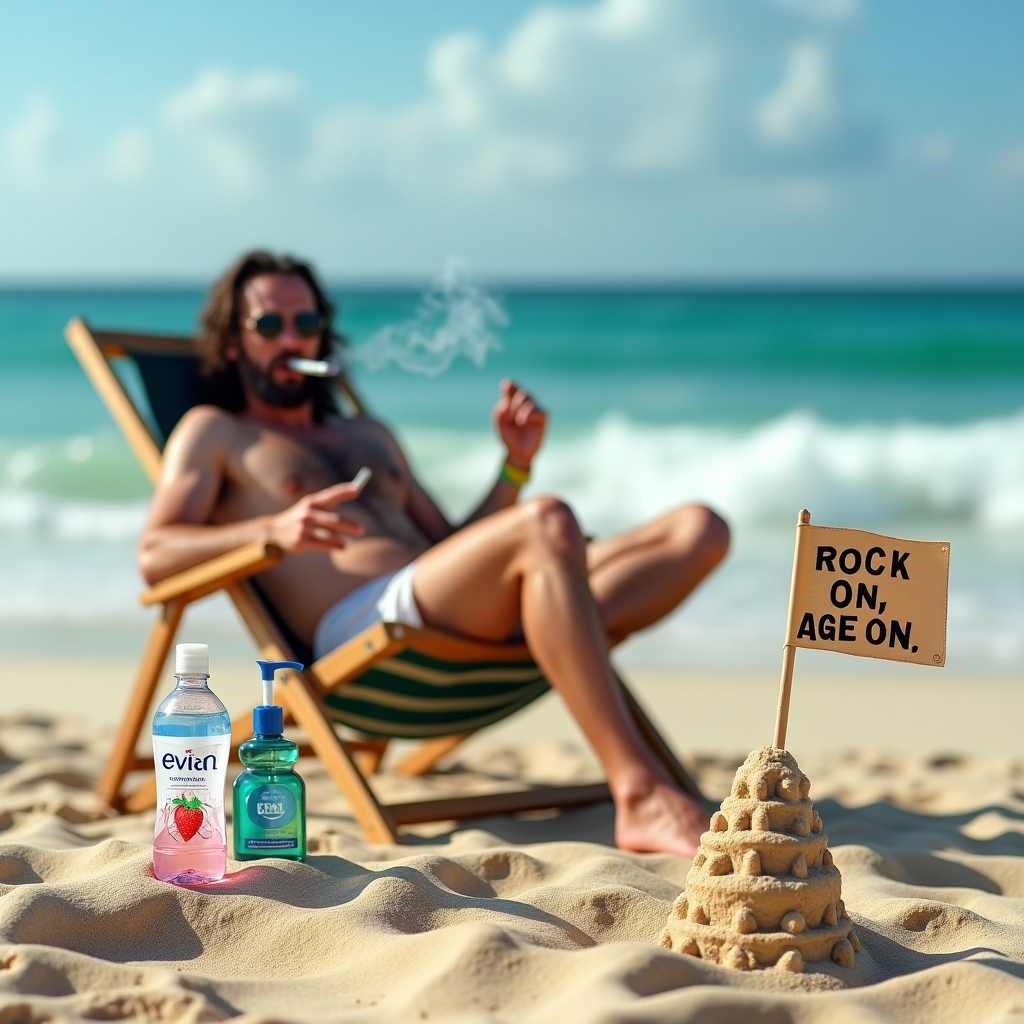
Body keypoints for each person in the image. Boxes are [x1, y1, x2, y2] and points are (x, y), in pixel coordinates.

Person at [139, 251, 730, 856]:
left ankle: (559, 621)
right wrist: (272, 531)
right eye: (269, 325)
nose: (290, 338)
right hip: (368, 629)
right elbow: (155, 556)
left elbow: (456, 546)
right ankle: (637, 792)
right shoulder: (217, 433)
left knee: (700, 529)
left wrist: (513, 466)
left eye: (306, 324)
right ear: (233, 343)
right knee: (548, 522)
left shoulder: (369, 433)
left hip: (439, 596)